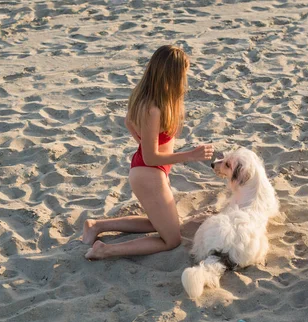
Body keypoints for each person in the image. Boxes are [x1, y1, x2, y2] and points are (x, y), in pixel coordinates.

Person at [82, 45, 214, 259]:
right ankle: (106, 250)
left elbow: (128, 121)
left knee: (159, 222)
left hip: (149, 171)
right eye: (183, 74)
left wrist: (144, 142)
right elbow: (151, 156)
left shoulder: (145, 97)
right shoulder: (153, 109)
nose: (185, 79)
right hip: (149, 174)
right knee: (171, 240)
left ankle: (96, 226)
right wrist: (190, 155)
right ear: (172, 75)